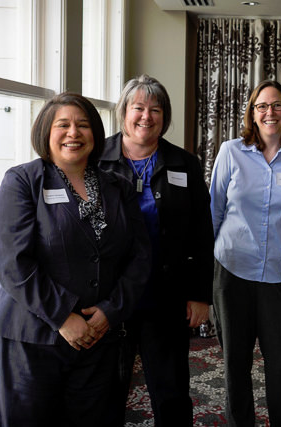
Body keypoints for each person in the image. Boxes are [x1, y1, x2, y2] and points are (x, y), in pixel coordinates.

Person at [0, 92, 150, 426]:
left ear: (95, 134)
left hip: (97, 337)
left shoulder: (117, 186)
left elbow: (140, 256)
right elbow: (11, 262)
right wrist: (63, 316)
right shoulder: (21, 181)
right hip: (31, 338)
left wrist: (110, 311)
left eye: (83, 125)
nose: (73, 133)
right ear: (46, 133)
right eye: (63, 125)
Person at [99, 74, 214, 426]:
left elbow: (202, 233)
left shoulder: (184, 163)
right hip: (110, 297)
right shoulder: (96, 159)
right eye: (138, 108)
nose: (146, 116)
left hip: (165, 295)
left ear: (165, 117)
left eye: (156, 109)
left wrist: (200, 295)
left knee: (171, 392)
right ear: (123, 112)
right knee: (106, 390)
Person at [210, 80, 281, 426]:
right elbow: (213, 211)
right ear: (252, 114)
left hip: (279, 277)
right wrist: (203, 272)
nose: (269, 112)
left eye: (276, 106)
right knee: (235, 362)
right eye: (262, 106)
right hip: (232, 271)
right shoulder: (231, 152)